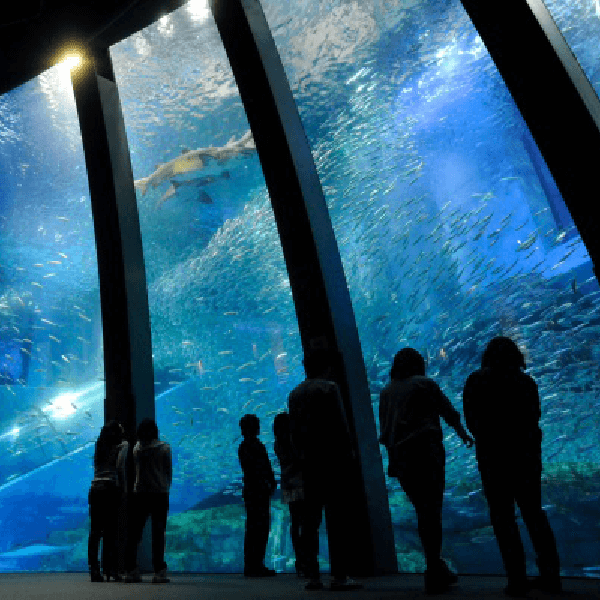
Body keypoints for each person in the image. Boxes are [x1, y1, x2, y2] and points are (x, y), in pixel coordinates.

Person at [463, 336, 561, 597]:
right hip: (525, 458)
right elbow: (534, 416)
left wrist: (490, 439)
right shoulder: (525, 381)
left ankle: (516, 578)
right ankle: (551, 575)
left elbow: (471, 419)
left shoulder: (475, 381)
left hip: (493, 459)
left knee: (503, 518)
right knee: (534, 513)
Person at [379, 347, 473, 595]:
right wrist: (463, 433)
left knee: (423, 510)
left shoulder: (387, 391)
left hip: (401, 460)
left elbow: (386, 430)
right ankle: (434, 567)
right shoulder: (424, 384)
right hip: (426, 453)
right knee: (432, 510)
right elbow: (448, 411)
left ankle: (435, 565)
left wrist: (393, 460)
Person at [288, 348, 363, 592]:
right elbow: (340, 424)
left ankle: (313, 576)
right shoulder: (329, 388)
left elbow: (295, 433)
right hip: (332, 461)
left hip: (308, 463)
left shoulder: (295, 394)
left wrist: (300, 457)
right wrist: (349, 453)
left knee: (310, 522)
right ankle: (340, 576)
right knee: (337, 519)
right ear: (325, 366)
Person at [124, 418, 172, 584]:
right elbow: (168, 472)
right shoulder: (165, 448)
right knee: (158, 533)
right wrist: (165, 485)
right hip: (159, 493)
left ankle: (131, 570)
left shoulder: (137, 448)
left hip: (140, 494)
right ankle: (159, 571)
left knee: (135, 533)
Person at [88, 419, 128, 582]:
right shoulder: (122, 445)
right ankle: (111, 569)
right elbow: (120, 467)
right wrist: (124, 489)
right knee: (111, 531)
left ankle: (94, 569)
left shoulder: (99, 446)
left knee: (96, 531)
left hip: (95, 488)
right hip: (111, 488)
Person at [238, 413, 277, 577]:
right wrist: (270, 482)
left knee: (252, 527)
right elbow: (264, 467)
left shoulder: (243, 446)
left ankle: (251, 564)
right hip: (259, 491)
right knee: (260, 527)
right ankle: (257, 564)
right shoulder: (256, 445)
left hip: (250, 490)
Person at [273, 412, 305, 577]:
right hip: (300, 482)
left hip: (287, 484)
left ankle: (300, 559)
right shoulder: (293, 441)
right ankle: (305, 558)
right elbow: (300, 459)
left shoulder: (277, 443)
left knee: (295, 521)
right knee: (305, 521)